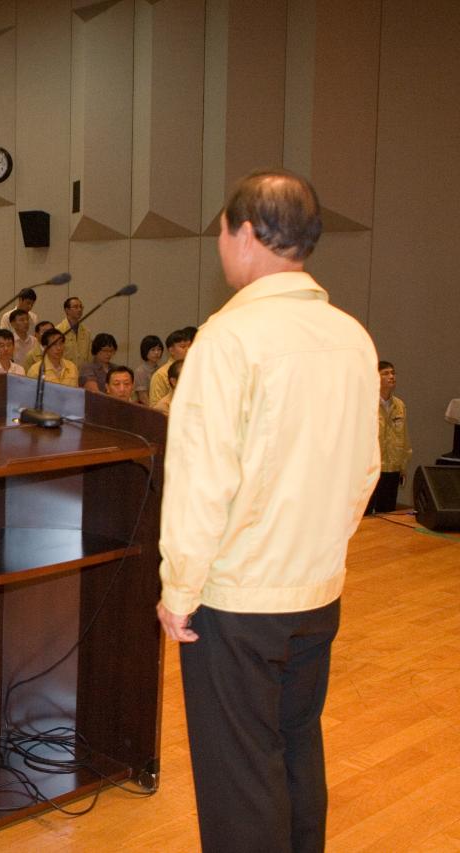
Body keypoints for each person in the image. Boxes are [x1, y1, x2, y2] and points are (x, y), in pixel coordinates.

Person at [157, 170, 380, 853]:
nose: (220, 243)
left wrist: (178, 589)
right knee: (293, 749)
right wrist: (318, 548)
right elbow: (365, 469)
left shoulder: (229, 338)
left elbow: (202, 479)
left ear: (247, 233)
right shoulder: (352, 336)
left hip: (240, 599)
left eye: (222, 230)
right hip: (317, 591)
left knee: (240, 777)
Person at [368, 360, 410, 514]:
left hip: (392, 468)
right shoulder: (367, 404)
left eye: (393, 373)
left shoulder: (399, 405)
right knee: (365, 512)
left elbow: (404, 437)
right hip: (371, 468)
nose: (391, 376)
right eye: (385, 373)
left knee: (387, 513)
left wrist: (403, 465)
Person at [147, 327, 194, 408]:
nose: (188, 350)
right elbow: (155, 408)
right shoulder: (161, 374)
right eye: (183, 347)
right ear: (171, 350)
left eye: (189, 346)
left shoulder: (194, 369)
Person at [55, 296, 92, 367]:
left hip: (82, 374)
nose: (79, 309)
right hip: (65, 373)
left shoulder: (86, 332)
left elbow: (89, 358)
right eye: (76, 307)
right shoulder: (58, 331)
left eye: (81, 307)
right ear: (67, 310)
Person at [133, 335, 164, 406]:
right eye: (153, 350)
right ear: (145, 351)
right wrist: (155, 410)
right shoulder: (140, 371)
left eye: (159, 349)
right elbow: (143, 397)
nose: (156, 353)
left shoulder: (160, 369)